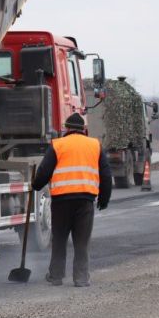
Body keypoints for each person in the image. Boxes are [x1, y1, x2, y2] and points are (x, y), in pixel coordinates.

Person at [31, 112, 112, 287]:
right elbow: (106, 174)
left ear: (66, 128)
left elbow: (45, 171)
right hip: (85, 201)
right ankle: (81, 278)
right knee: (82, 241)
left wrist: (36, 185)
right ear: (83, 129)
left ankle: (56, 276)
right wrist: (104, 199)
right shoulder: (94, 145)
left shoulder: (58, 145)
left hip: (61, 202)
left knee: (59, 239)